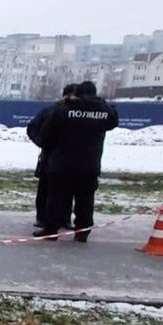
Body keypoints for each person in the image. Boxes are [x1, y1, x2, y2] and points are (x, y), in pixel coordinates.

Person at [34, 81, 118, 241]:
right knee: (85, 200)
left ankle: (51, 230)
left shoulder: (63, 109)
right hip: (89, 165)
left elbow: (45, 133)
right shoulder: (103, 111)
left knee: (57, 199)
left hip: (62, 164)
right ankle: (82, 232)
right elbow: (114, 121)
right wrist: (101, 102)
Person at [27, 85, 76, 229]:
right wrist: (42, 143)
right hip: (50, 156)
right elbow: (32, 128)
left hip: (70, 158)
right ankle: (41, 218)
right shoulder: (50, 110)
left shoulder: (77, 113)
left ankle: (64, 218)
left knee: (67, 191)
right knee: (45, 189)